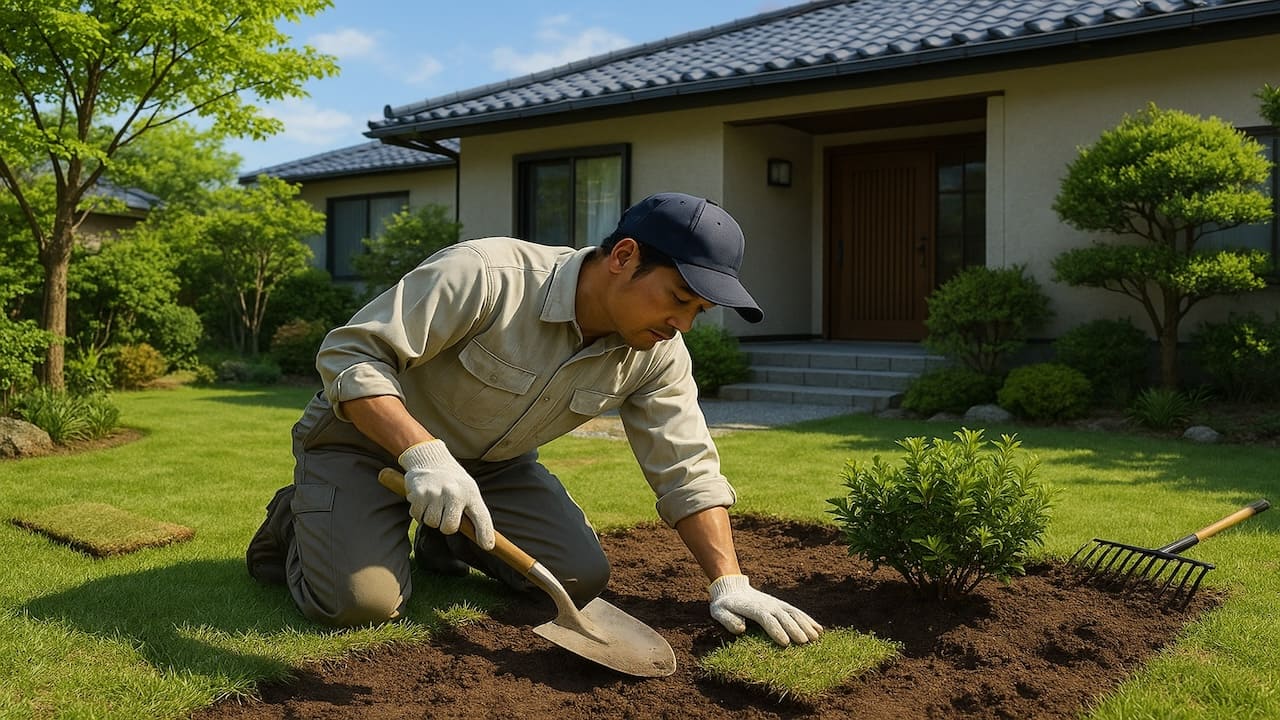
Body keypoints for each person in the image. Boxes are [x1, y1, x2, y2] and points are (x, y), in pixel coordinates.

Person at [246, 191, 823, 648]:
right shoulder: (487, 275)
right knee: (362, 605)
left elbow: (686, 468)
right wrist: (422, 453)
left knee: (579, 577)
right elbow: (350, 355)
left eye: (699, 311)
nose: (685, 324)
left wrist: (729, 581)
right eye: (678, 298)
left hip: (493, 467)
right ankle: (296, 520)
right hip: (364, 446)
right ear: (624, 257)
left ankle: (447, 542)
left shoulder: (657, 353)